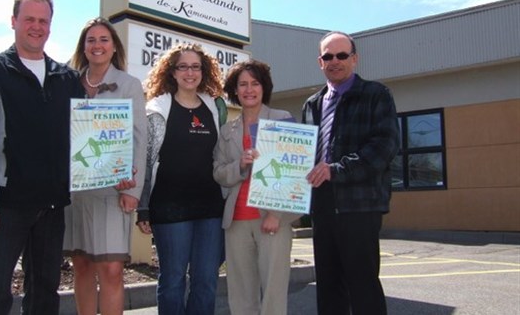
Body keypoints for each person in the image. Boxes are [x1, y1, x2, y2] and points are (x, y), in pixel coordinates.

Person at [0, 0, 85, 315]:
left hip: (52, 205)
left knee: (45, 294)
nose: (37, 26)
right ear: (14, 21)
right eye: (29, 19)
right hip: (3, 207)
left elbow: (83, 138)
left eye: (43, 21)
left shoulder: (67, 78)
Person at [302, 31, 400, 315]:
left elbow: (384, 148)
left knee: (362, 285)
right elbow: (306, 153)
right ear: (320, 62)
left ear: (354, 59)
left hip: (360, 205)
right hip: (322, 206)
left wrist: (336, 170)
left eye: (342, 55)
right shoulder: (312, 104)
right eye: (328, 56)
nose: (335, 61)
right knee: (329, 287)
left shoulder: (376, 95)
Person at [63, 17, 147, 315]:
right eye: (91, 40)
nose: (97, 45)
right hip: (74, 192)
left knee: (111, 269)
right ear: (83, 47)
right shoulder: (67, 82)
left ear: (114, 48)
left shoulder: (129, 85)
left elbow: (140, 138)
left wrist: (133, 191)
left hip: (114, 190)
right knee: (82, 265)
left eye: (103, 40)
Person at [137, 43, 225, 315]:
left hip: (210, 208)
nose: (190, 72)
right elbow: (146, 159)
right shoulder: (157, 109)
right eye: (183, 67)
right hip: (170, 208)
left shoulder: (213, 107)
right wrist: (143, 208)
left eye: (196, 66)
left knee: (206, 281)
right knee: (173, 280)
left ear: (204, 71)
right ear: (172, 72)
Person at [213, 59, 301, 315]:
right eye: (242, 84)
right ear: (235, 90)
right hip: (236, 220)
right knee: (240, 293)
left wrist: (276, 214)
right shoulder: (227, 130)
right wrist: (239, 165)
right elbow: (218, 172)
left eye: (255, 83)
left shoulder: (282, 119)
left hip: (271, 220)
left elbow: (294, 172)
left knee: (273, 293)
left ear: (264, 88)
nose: (249, 89)